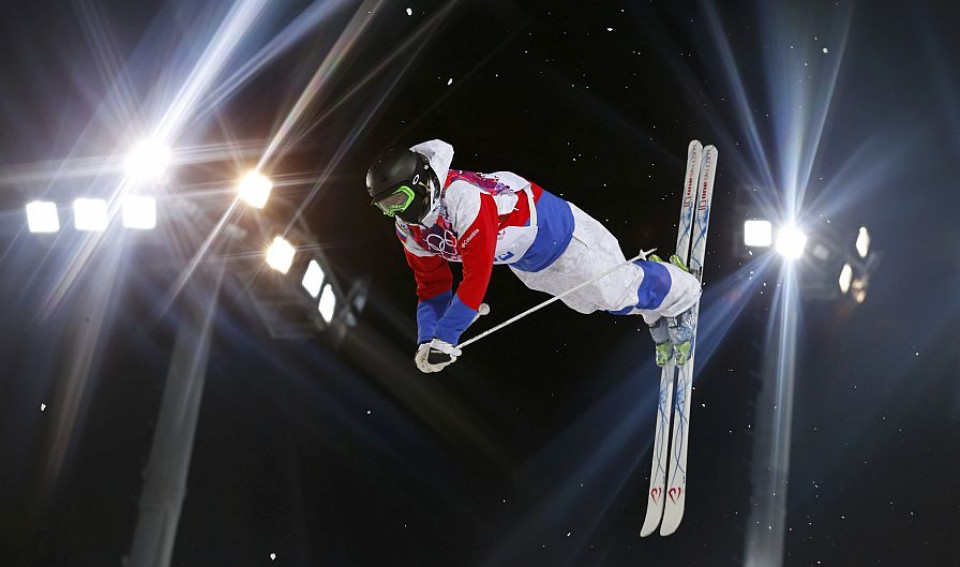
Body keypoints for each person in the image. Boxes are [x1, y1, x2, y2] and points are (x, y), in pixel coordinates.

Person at [365, 139, 701, 373]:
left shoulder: (462, 198)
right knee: (594, 302)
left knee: (612, 291)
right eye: (385, 207)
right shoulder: (410, 231)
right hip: (528, 263)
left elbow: (476, 274)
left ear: (421, 183)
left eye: (399, 200)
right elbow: (432, 286)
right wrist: (428, 339)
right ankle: (654, 302)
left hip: (562, 234)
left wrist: (448, 335)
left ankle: (682, 293)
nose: (396, 212)